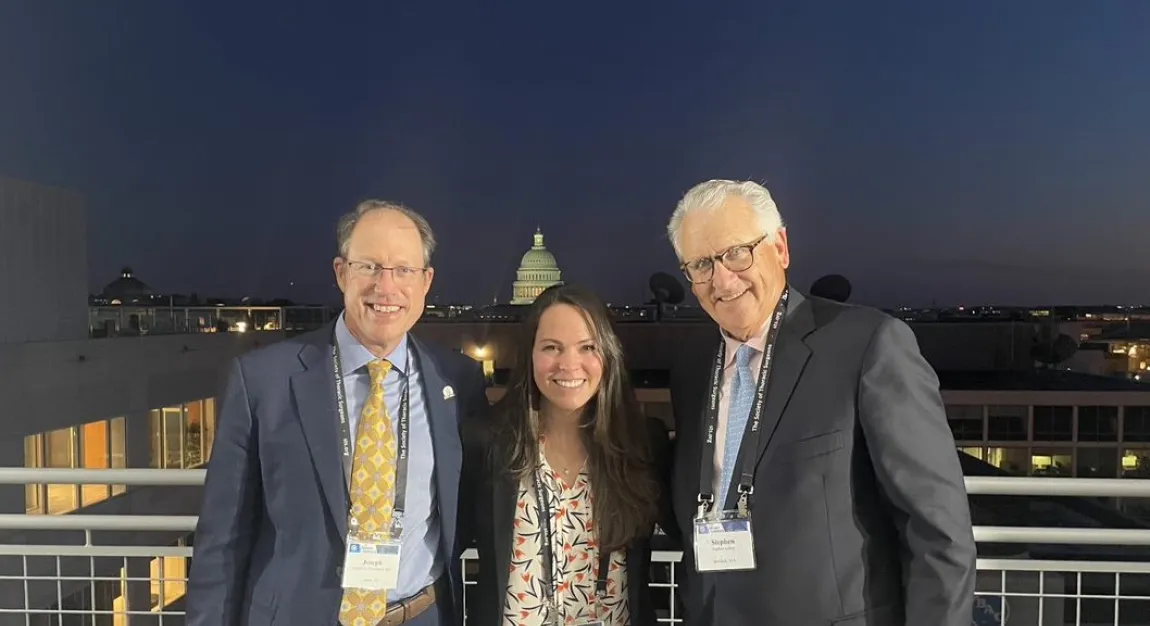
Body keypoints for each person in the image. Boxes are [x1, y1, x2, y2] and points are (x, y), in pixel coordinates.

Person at [664, 179, 976, 626]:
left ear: (781, 247)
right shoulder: (692, 369)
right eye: (700, 264)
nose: (722, 279)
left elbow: (939, 534)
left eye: (736, 252)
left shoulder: (868, 345)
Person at [186, 200, 491, 626]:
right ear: (341, 273)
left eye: (403, 270)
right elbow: (222, 541)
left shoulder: (458, 381)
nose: (386, 288)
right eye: (369, 267)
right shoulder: (262, 381)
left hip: (422, 615)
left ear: (426, 282)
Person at [461, 283, 673, 626]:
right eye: (551, 348)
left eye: (587, 347)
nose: (569, 364)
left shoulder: (643, 444)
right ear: (529, 354)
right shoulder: (487, 440)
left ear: (608, 354)